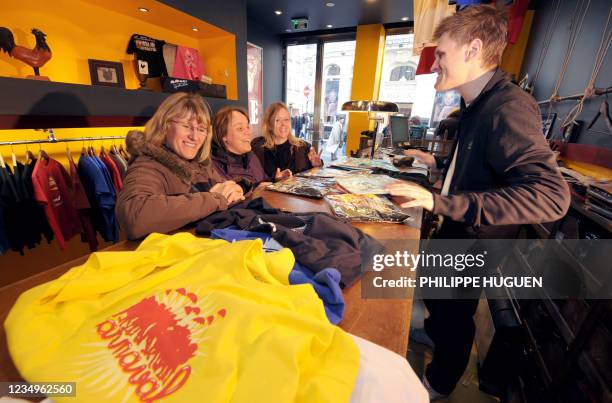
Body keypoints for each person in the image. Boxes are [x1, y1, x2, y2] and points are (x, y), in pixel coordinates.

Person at [385, 5, 570, 400]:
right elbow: (481, 163)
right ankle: (432, 336)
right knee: (436, 294)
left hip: (477, 238)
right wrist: (437, 162)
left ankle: (438, 383)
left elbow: (553, 196)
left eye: (442, 54)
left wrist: (442, 204)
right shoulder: (474, 106)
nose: (434, 63)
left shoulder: (509, 106)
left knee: (454, 315)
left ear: (472, 49)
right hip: (459, 228)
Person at [116, 92, 244, 240]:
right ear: (165, 125)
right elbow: (134, 217)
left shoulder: (201, 164)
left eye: (201, 129)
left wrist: (237, 190)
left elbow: (224, 194)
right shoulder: (147, 166)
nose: (194, 136)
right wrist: (213, 199)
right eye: (186, 126)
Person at [252, 102, 322, 181]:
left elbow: (315, 179)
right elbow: (253, 181)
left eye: (286, 119)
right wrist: (274, 180)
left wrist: (317, 165)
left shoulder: (303, 147)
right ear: (269, 125)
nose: (283, 124)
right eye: (277, 120)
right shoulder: (258, 148)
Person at [211, 106, 269, 187]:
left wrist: (275, 180)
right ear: (223, 135)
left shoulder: (251, 157)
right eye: (240, 128)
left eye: (247, 127)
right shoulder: (214, 168)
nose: (248, 132)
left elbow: (263, 182)